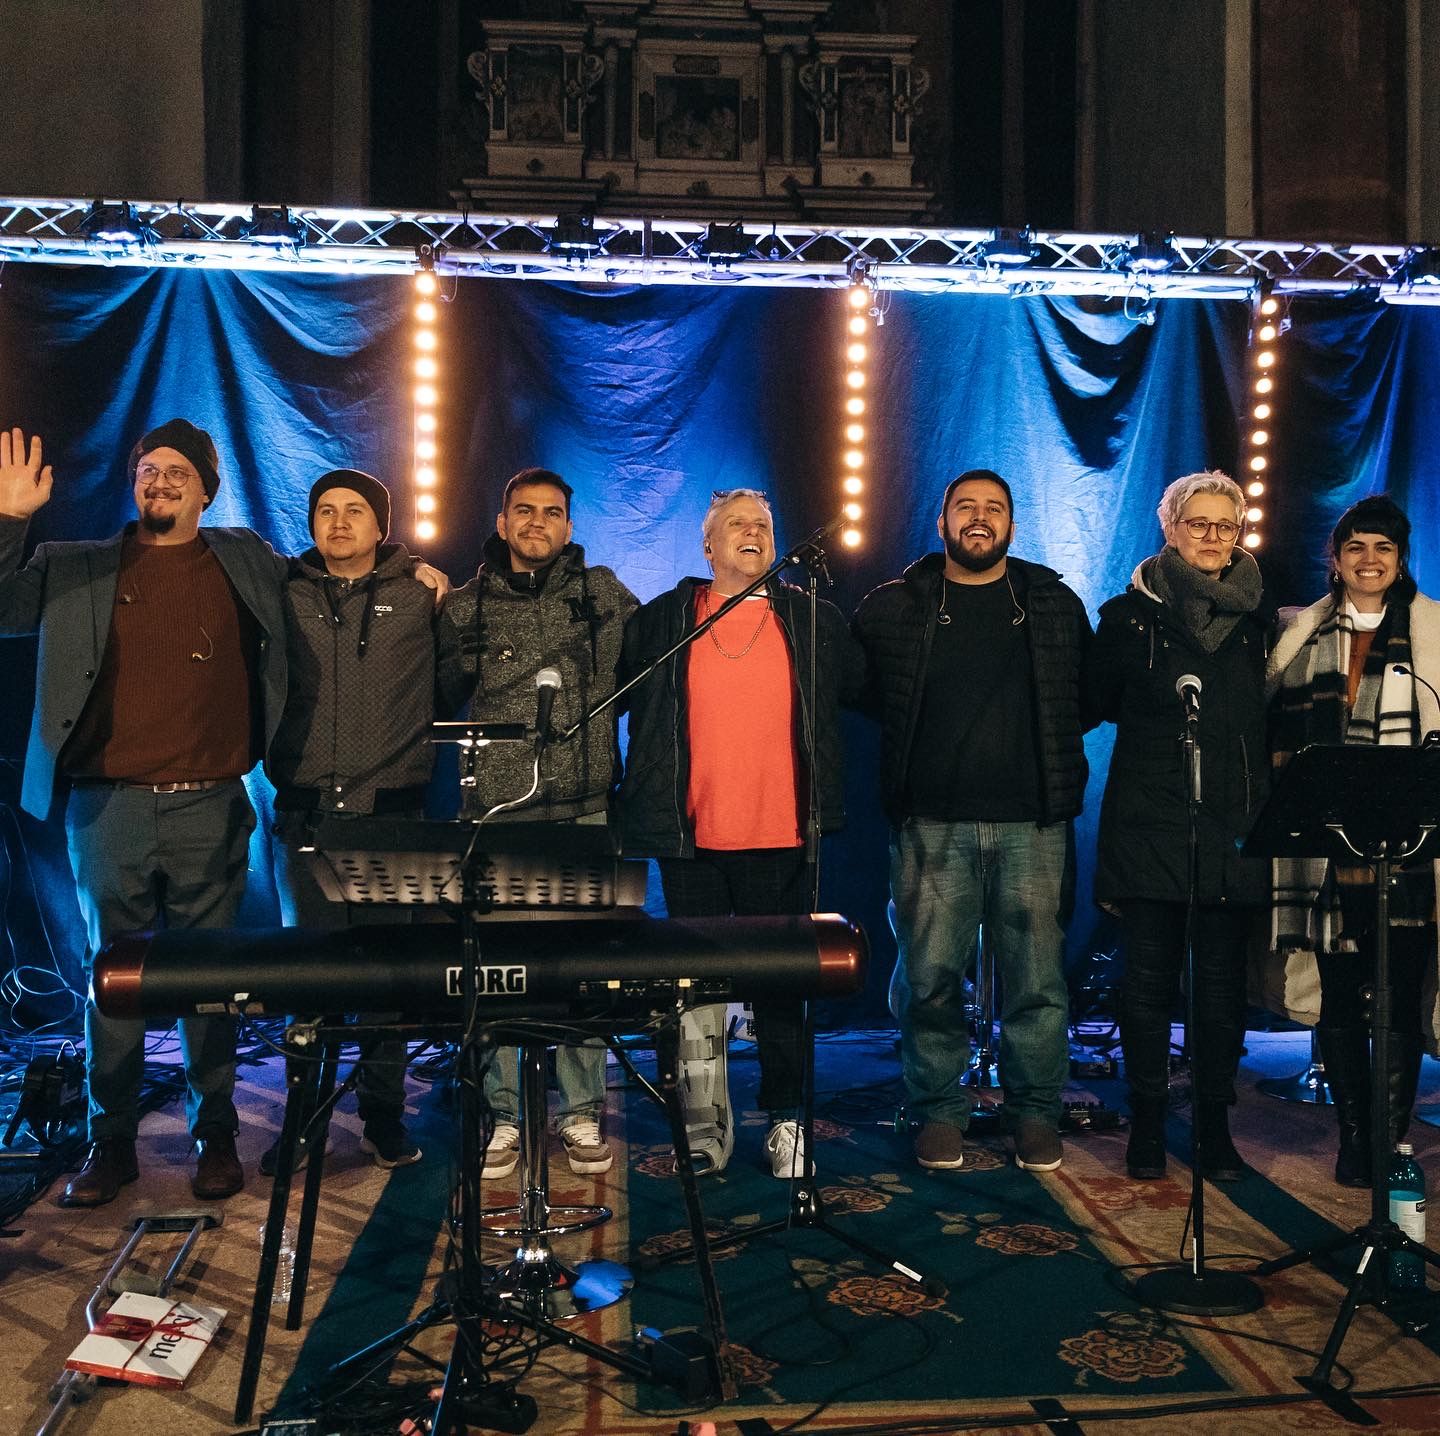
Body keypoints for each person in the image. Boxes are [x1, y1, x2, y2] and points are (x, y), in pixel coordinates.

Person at [0, 420, 288, 1206]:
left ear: (207, 491)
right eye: (146, 470)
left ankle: (215, 1133)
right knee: (113, 981)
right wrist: (10, 520)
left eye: (176, 472)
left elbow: (328, 585)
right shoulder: (74, 565)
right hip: (108, 810)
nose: (158, 482)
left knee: (209, 983)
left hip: (210, 805)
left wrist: (412, 574)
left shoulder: (245, 559)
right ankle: (111, 1141)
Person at [852, 469, 1091, 1174]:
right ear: (942, 522)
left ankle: (1035, 1113)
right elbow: (865, 694)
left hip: (1033, 825)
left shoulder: (1051, 602)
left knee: (1037, 982)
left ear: (1012, 525)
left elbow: (1084, 696)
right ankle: (938, 1111)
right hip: (932, 826)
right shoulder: (894, 606)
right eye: (966, 507)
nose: (979, 519)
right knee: (927, 977)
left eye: (994, 509)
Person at [619, 488, 861, 1179]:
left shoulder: (811, 619)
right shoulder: (666, 619)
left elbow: (863, 689)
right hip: (691, 837)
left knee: (782, 986)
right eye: (736, 524)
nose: (752, 533)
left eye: (763, 524)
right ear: (708, 546)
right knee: (695, 992)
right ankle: (703, 1128)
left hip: (783, 836)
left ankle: (786, 1120)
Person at [439, 468, 636, 1178]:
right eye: (524, 511)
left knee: (582, 969)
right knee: (498, 969)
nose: (537, 523)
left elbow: (644, 665)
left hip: (583, 810)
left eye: (552, 513)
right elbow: (438, 689)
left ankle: (580, 1112)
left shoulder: (603, 594)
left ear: (569, 527)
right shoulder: (465, 606)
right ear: (501, 522)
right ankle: (504, 1116)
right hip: (497, 815)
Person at [265, 469, 461, 1173]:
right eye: (326, 510)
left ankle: (383, 1118)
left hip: (390, 819)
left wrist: (446, 600)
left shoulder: (423, 595)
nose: (339, 522)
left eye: (355, 511)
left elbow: (455, 683)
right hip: (308, 817)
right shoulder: (283, 592)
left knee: (387, 982)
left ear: (382, 526)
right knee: (308, 983)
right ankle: (304, 1121)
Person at [1087, 469, 1269, 1182]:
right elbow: (1091, 703)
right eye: (1199, 523)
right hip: (1149, 821)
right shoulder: (1129, 616)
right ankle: (1148, 1122)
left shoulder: (1260, 620)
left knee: (1221, 990)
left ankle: (1215, 1127)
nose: (1213, 537)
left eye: (1226, 525)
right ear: (1170, 528)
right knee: (1148, 986)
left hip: (1233, 826)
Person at [1266, 496, 1440, 1186]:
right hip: (1328, 850)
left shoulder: (1433, 632)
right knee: (1340, 997)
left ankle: (1387, 1137)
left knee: (1399, 996)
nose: (1370, 560)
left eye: (1383, 548)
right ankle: (1353, 1136)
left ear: (1400, 561)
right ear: (1335, 560)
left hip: (1412, 850)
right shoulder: (1298, 634)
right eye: (1356, 547)